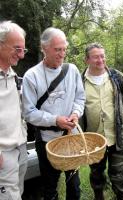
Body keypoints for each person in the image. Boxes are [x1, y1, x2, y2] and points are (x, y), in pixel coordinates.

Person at [22, 27, 85, 200]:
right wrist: (55, 120)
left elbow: (80, 98)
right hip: (46, 141)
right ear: (44, 48)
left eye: (64, 49)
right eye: (57, 49)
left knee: (74, 184)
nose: (62, 54)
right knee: (50, 186)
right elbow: (28, 113)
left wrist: (75, 113)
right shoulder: (31, 76)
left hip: (70, 138)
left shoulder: (72, 70)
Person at [81, 43, 123, 200]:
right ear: (87, 60)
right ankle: (98, 196)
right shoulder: (80, 81)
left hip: (118, 134)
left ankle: (121, 196)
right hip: (93, 138)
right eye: (96, 57)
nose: (100, 60)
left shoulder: (116, 77)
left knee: (119, 173)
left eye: (102, 56)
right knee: (96, 172)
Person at [0, 21, 28, 200]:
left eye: (23, 50)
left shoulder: (13, 76)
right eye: (17, 49)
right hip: (3, 154)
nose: (21, 55)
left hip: (20, 148)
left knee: (18, 193)